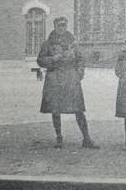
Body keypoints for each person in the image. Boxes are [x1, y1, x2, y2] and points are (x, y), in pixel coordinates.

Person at [37, 16, 98, 149]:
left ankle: (86, 138)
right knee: (55, 110)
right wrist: (52, 58)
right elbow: (40, 60)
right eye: (59, 25)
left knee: (78, 109)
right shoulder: (47, 44)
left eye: (64, 25)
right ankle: (59, 138)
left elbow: (80, 59)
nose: (62, 28)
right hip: (54, 79)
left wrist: (80, 72)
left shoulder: (73, 44)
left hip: (71, 79)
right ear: (55, 27)